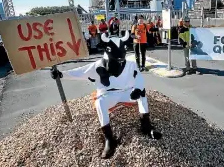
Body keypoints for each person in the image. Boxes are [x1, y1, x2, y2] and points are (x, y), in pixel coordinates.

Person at [50, 31, 161, 159]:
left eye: (123, 49)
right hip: (109, 95)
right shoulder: (98, 66)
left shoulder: (130, 65)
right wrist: (61, 74)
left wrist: (137, 88)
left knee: (142, 94)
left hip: (126, 92)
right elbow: (80, 72)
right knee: (100, 102)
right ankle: (109, 138)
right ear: (106, 50)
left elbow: (139, 78)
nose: (120, 54)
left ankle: (146, 127)